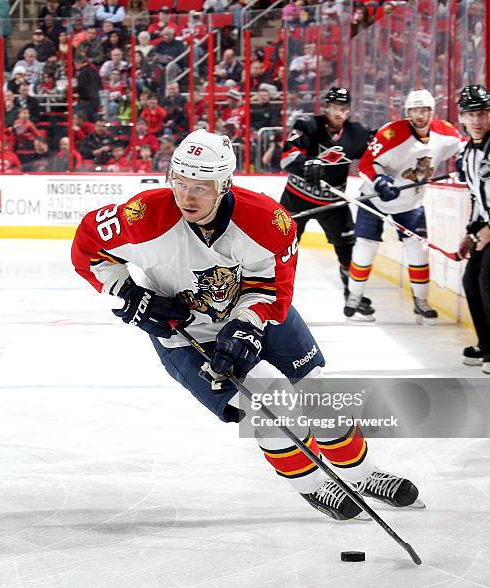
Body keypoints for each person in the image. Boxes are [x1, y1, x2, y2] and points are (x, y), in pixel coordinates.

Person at [71, 128, 423, 521]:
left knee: (318, 394)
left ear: (224, 184)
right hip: (186, 333)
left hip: (259, 312)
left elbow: (275, 289)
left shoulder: (269, 221)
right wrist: (128, 291)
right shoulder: (142, 216)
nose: (187, 196)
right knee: (269, 403)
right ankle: (312, 486)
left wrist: (247, 323)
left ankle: (362, 474)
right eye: (180, 181)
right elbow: (87, 246)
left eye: (201, 187)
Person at [345, 89, 464, 323]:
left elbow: (464, 147)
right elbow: (368, 163)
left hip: (411, 203)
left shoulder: (445, 132)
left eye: (424, 110)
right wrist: (380, 181)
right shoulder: (391, 133)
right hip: (375, 199)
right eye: (415, 110)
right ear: (408, 112)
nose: (420, 115)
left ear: (432, 111)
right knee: (365, 247)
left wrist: (463, 162)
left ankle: (421, 302)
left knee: (418, 250)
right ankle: (354, 298)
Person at [279, 87, 375, 318]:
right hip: (297, 198)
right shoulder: (307, 125)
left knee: (347, 250)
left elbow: (381, 151)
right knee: (281, 248)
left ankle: (353, 295)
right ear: (326, 107)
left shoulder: (357, 133)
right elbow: (286, 157)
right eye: (335, 108)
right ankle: (275, 297)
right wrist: (306, 164)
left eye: (344, 108)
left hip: (333, 203)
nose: (339, 113)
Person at [457, 85, 490, 375]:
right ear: (462, 118)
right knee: (471, 280)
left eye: (483, 113)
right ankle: (486, 344)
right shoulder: (469, 152)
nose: (478, 120)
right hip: (485, 227)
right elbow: (477, 196)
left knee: (487, 280)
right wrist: (470, 232)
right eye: (472, 114)